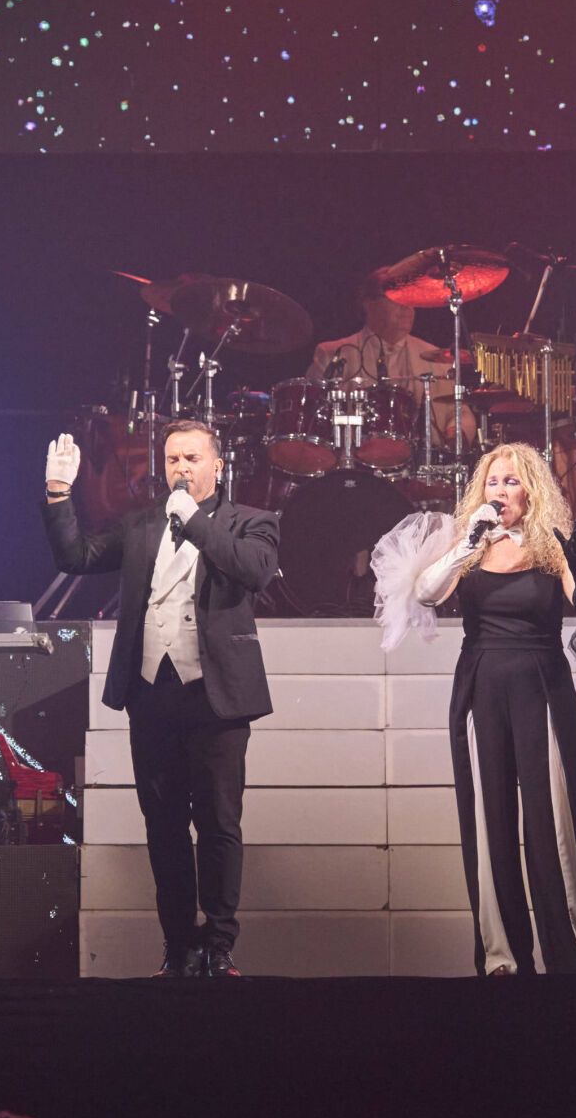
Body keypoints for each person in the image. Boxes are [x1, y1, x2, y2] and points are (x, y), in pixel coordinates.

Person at [42, 420, 278, 978]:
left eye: (193, 458)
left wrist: (195, 521)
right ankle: (178, 946)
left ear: (217, 466)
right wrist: (58, 496)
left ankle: (219, 946)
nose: (181, 469)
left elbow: (253, 571)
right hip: (153, 693)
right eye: (173, 459)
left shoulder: (252, 523)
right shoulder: (143, 525)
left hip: (216, 697)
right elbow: (75, 556)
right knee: (163, 825)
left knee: (219, 824)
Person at [401, 444, 576, 976]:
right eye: (493, 482)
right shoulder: (469, 543)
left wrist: (571, 558)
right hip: (480, 685)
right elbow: (427, 593)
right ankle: (502, 957)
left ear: (532, 492)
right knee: (488, 819)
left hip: (540, 685)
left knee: (552, 826)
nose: (501, 491)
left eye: (512, 482)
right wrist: (469, 539)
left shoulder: (550, 545)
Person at [309, 267, 474, 451]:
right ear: (368, 303)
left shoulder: (437, 357)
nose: (407, 307)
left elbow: (460, 412)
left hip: (423, 466)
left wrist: (455, 434)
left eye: (411, 298)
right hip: (354, 465)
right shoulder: (332, 353)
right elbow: (311, 417)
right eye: (396, 298)